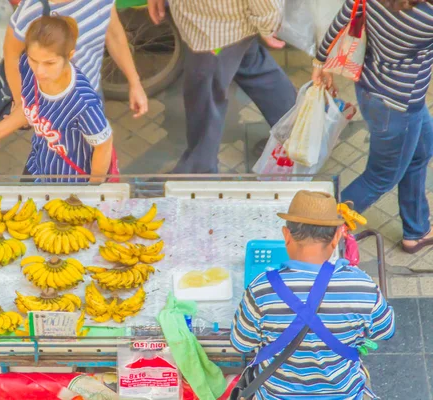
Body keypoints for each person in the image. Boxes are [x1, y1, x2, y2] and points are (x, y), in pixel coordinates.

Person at [231, 191, 395, 399]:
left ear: (286, 235)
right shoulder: (362, 285)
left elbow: (241, 343)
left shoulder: (261, 289)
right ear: (337, 237)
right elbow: (385, 330)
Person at [312, 0, 433, 254]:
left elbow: (343, 18)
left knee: (420, 153)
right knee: (379, 178)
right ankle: (314, 231)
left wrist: (319, 62)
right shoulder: (427, 17)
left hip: (370, 87)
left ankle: (417, 230)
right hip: (398, 106)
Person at [147, 0, 297, 174]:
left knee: (205, 96)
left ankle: (199, 170)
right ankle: (299, 136)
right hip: (219, 24)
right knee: (253, 67)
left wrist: (268, 24)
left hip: (215, 34)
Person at [0, 16, 113, 182]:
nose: (40, 71)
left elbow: (103, 145)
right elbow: (30, 109)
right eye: (34, 60)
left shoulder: (83, 102)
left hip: (70, 185)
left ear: (69, 55)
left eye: (49, 63)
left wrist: (91, 192)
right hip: (37, 168)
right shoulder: (27, 66)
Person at [0, 0, 148, 121]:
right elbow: (11, 54)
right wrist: (22, 105)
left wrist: (134, 83)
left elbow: (113, 34)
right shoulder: (35, 8)